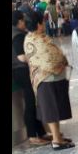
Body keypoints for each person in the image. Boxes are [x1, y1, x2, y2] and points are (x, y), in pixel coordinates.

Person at [22, 10, 74, 150]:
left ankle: (58, 137)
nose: (45, 24)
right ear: (39, 24)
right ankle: (57, 140)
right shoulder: (37, 39)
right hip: (47, 79)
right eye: (43, 22)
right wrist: (62, 61)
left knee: (54, 110)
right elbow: (51, 60)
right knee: (51, 110)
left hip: (46, 79)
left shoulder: (31, 37)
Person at [13, 9, 50, 145]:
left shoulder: (17, 33)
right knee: (30, 103)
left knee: (34, 102)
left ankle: (41, 132)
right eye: (24, 19)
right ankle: (32, 135)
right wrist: (37, 58)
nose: (26, 22)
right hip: (22, 71)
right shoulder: (18, 35)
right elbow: (21, 57)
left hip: (21, 72)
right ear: (19, 21)